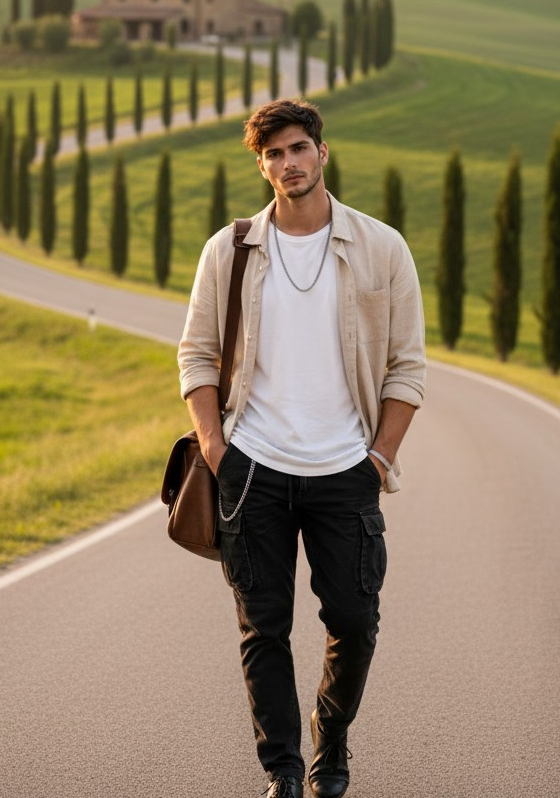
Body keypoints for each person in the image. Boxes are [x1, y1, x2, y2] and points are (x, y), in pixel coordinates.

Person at [178, 98, 426, 798]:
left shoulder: (382, 247)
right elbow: (196, 355)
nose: (288, 163)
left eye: (298, 148)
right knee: (264, 627)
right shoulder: (229, 250)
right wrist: (216, 446)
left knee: (354, 617)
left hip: (345, 468)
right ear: (261, 165)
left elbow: (408, 367)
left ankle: (332, 734)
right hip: (251, 468)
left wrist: (379, 457)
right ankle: (284, 769)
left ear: (322, 151)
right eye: (274, 153)